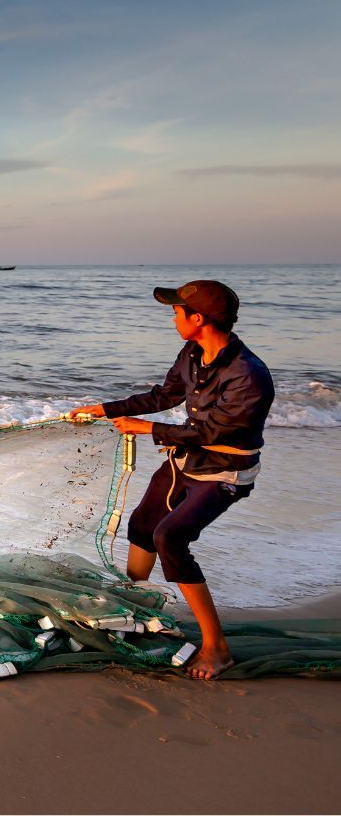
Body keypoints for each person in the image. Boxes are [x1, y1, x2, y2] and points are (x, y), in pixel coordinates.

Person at [70, 279, 273, 681]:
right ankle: (135, 608)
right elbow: (165, 396)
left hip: (224, 471)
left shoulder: (248, 375)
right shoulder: (193, 351)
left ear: (198, 319)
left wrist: (146, 430)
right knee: (143, 526)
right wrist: (105, 408)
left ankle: (217, 647)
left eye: (177, 312)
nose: (173, 318)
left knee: (171, 538)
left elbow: (214, 433)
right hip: (186, 458)